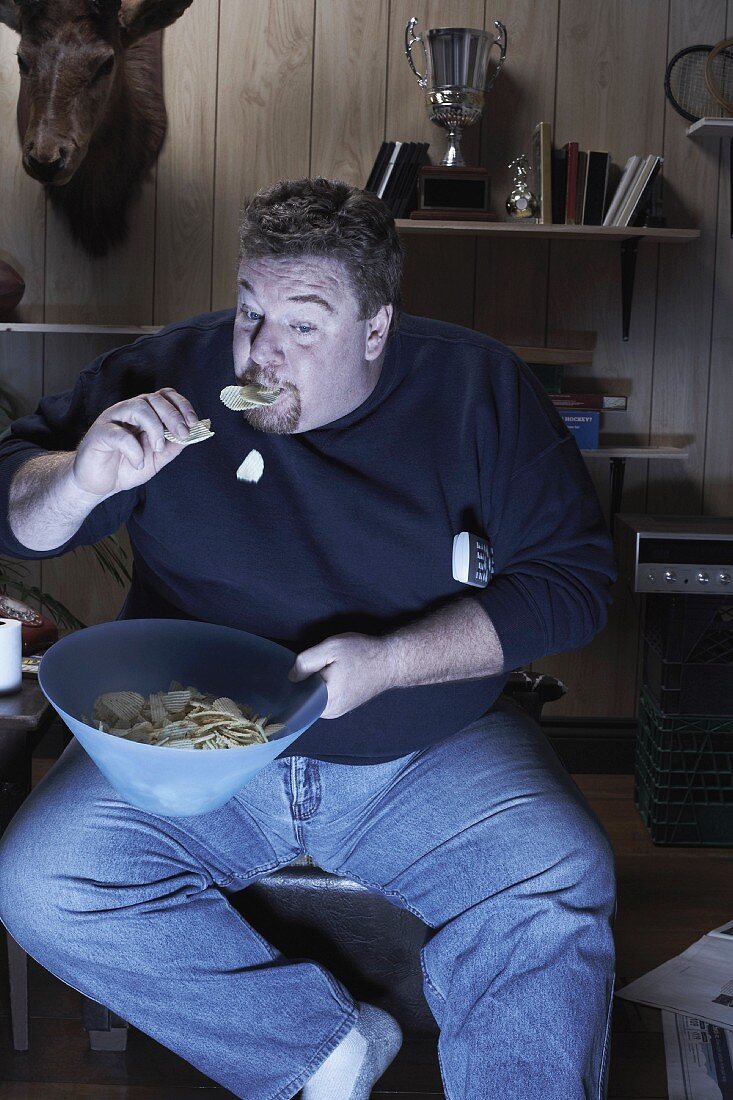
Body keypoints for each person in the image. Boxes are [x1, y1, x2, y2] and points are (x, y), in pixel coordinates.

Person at [0, 177, 617, 1100]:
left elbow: (572, 585)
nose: (260, 353)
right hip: (198, 752)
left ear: (375, 330)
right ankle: (319, 1050)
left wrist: (395, 661)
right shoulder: (167, 370)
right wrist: (80, 479)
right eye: (250, 313)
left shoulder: (476, 389)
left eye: (302, 325)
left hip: (422, 751)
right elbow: (18, 512)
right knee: (44, 881)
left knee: (557, 881)